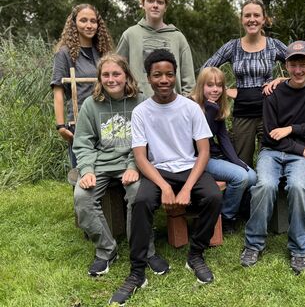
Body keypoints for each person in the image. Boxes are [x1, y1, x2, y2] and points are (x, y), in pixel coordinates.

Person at [110, 49, 222, 306]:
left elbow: (203, 152)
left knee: (213, 196)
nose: (164, 80)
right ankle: (137, 272)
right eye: (157, 75)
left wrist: (186, 189)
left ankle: (195, 255)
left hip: (189, 167)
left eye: (169, 74)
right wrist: (164, 187)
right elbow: (140, 157)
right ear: (148, 78)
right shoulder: (141, 112)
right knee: (141, 201)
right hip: (158, 170)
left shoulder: (190, 107)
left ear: (176, 76)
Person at [240, 41, 305, 275]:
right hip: (273, 152)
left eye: (303, 64)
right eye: (293, 64)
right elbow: (271, 135)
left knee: (298, 187)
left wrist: (291, 129)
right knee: (265, 186)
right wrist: (302, 149)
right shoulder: (273, 93)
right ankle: (254, 244)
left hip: (301, 154)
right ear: (286, 67)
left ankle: (299, 249)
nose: (298, 70)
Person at [72, 54, 145, 276]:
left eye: (116, 74)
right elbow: (83, 142)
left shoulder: (140, 102)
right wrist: (86, 170)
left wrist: (134, 166)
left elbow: (145, 141)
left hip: (132, 163)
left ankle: (141, 248)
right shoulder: (90, 105)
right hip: (100, 164)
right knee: (82, 198)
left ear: (126, 76)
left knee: (138, 194)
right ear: (99, 78)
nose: (111, 79)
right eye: (106, 74)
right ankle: (106, 250)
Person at [202, 0, 287, 168]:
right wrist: (224, 90)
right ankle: (246, 195)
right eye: (247, 15)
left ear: (264, 19)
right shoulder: (232, 47)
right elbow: (205, 70)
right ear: (242, 19)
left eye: (256, 15)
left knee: (270, 163)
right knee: (242, 163)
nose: (252, 19)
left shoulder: (273, 45)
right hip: (242, 114)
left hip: (269, 113)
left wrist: (282, 80)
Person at [190, 67, 257, 233]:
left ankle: (240, 211)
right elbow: (199, 138)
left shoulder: (215, 105)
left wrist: (236, 161)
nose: (215, 89)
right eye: (210, 85)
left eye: (219, 85)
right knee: (240, 177)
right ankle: (226, 218)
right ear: (201, 86)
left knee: (252, 176)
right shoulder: (191, 105)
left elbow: (223, 137)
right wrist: (210, 109)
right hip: (197, 159)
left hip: (214, 155)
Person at [50, 4, 113, 168]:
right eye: (83, 20)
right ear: (74, 23)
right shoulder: (64, 53)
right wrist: (61, 126)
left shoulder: (103, 51)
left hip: (105, 118)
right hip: (78, 121)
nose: (89, 25)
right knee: (82, 172)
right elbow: (58, 90)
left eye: (93, 21)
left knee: (106, 170)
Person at [117, 0, 195, 97]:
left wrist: (185, 103)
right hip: (138, 104)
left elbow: (189, 81)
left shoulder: (178, 37)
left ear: (165, 8)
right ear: (142, 4)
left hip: (172, 106)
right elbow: (118, 71)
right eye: (150, 1)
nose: (155, 5)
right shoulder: (130, 35)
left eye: (160, 2)